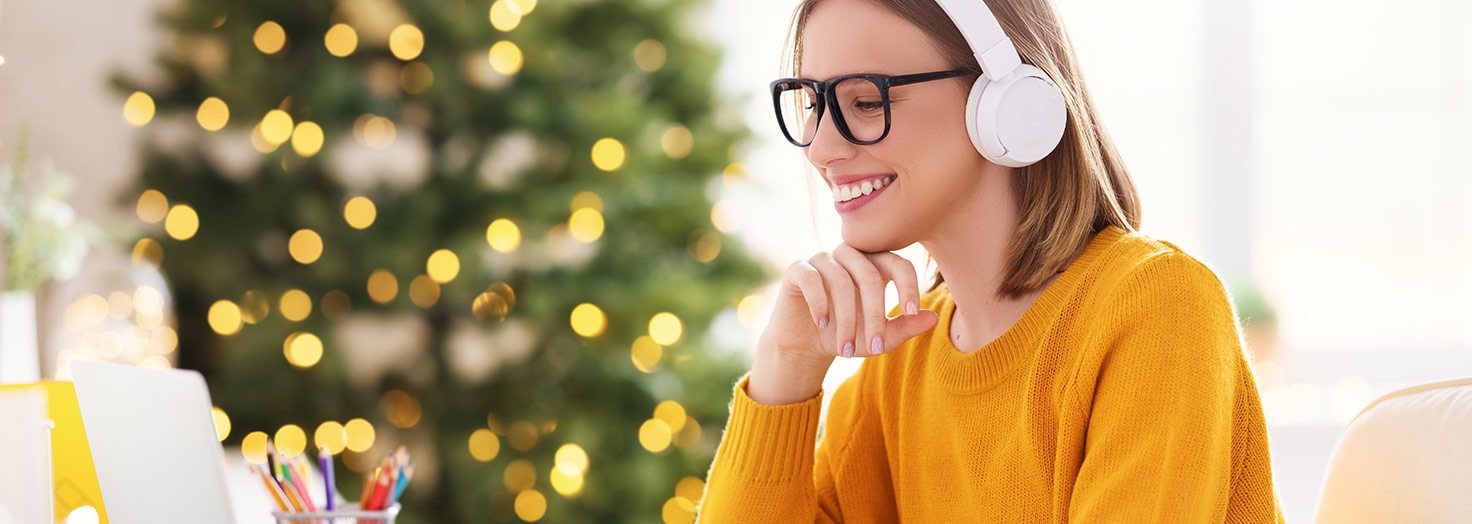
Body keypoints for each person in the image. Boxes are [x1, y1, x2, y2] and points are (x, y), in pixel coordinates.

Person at [697, 0, 1285, 521]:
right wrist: (786, 367)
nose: (821, 148)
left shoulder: (1157, 309)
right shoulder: (896, 370)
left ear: (1006, 103)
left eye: (866, 101)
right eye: (811, 104)